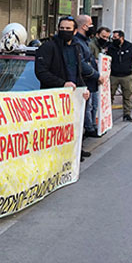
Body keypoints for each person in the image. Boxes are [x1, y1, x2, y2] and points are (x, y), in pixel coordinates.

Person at [34, 16, 92, 159]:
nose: (64, 31)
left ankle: (76, 151)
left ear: (74, 31)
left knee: (73, 126)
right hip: (54, 96)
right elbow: (41, 72)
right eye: (62, 28)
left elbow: (78, 71)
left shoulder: (76, 47)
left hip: (73, 95)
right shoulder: (48, 47)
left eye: (68, 28)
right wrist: (62, 83)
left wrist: (83, 89)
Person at [74, 15, 107, 138]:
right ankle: (89, 128)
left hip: (90, 79)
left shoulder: (85, 41)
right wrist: (96, 75)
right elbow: (82, 63)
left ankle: (90, 126)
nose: (93, 27)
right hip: (85, 80)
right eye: (91, 24)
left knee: (91, 105)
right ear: (84, 26)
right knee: (86, 107)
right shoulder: (78, 42)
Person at [108, 29, 132, 122]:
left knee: (127, 95)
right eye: (113, 37)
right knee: (109, 95)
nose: (113, 39)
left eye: (115, 37)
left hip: (126, 75)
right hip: (113, 75)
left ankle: (127, 114)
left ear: (121, 38)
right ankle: (108, 115)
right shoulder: (110, 47)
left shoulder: (130, 46)